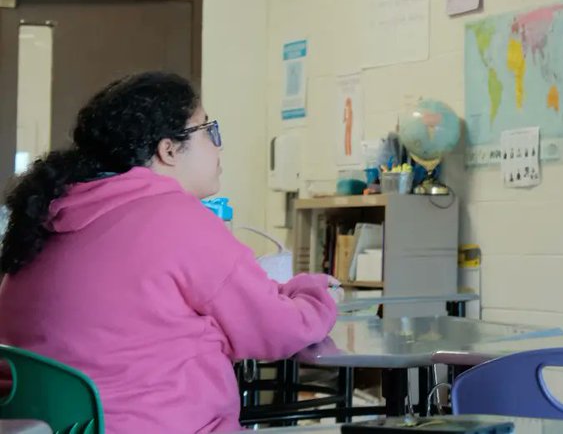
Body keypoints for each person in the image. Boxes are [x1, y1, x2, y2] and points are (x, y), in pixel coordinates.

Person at [0, 72, 337, 433]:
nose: (219, 146)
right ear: (169, 149)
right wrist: (318, 294)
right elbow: (278, 329)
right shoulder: (176, 218)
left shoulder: (49, 217)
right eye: (209, 130)